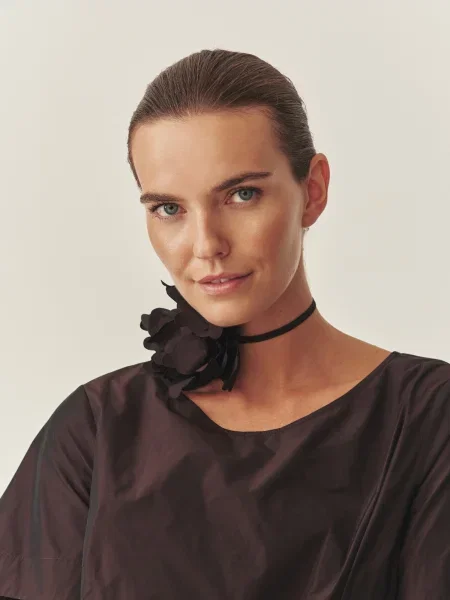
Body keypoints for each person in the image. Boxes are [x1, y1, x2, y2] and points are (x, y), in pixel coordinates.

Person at [0, 48, 449, 600]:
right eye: (169, 209)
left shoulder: (428, 417)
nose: (206, 244)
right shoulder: (97, 427)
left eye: (242, 195)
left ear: (313, 191)